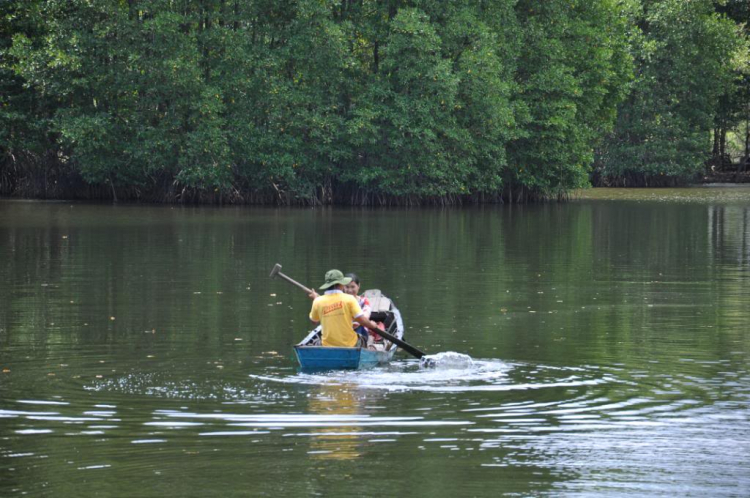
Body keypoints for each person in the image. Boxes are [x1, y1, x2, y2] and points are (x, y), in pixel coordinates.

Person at [308, 269, 382, 348]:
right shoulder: (350, 299)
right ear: (341, 285)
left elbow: (314, 321)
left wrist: (316, 299)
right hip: (350, 344)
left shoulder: (318, 301)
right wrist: (373, 325)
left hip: (327, 345)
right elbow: (363, 321)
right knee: (364, 338)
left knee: (317, 342)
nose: (349, 290)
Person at [344, 273, 371, 341]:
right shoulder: (339, 301)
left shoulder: (364, 301)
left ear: (358, 286)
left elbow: (364, 318)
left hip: (359, 331)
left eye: (353, 287)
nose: (350, 290)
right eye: (347, 287)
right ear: (343, 287)